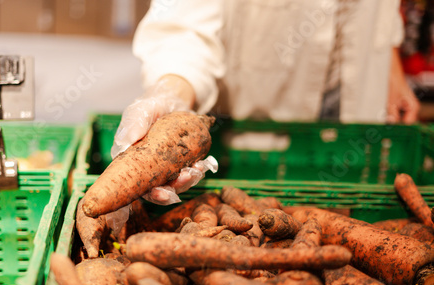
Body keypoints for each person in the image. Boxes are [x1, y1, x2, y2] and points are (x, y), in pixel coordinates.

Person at [111, 0, 420, 205]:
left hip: (360, 111)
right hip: (254, 133)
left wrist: (390, 64)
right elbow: (183, 20)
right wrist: (172, 88)